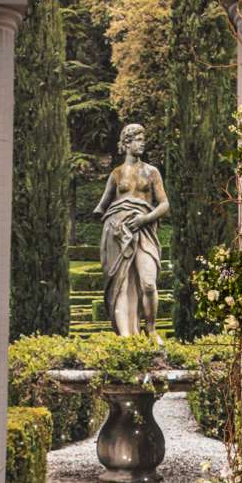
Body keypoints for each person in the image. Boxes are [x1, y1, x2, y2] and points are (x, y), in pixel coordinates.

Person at [94, 123, 170, 341]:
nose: (142, 142)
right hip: (119, 232)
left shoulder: (152, 172)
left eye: (143, 138)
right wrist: (115, 222)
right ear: (126, 143)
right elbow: (101, 208)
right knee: (121, 284)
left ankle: (152, 329)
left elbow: (164, 204)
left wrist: (145, 218)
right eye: (137, 138)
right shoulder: (116, 175)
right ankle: (127, 336)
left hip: (144, 229)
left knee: (148, 283)